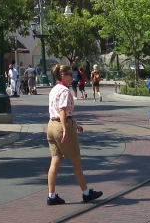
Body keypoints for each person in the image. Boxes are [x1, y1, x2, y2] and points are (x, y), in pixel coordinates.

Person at [45, 65, 103, 205]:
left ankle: (51, 196)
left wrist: (74, 124)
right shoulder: (65, 91)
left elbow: (58, 112)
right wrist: (66, 129)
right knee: (76, 161)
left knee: (55, 161)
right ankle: (86, 193)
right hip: (61, 126)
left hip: (51, 126)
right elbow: (62, 110)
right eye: (70, 74)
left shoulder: (54, 89)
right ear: (63, 76)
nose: (72, 76)